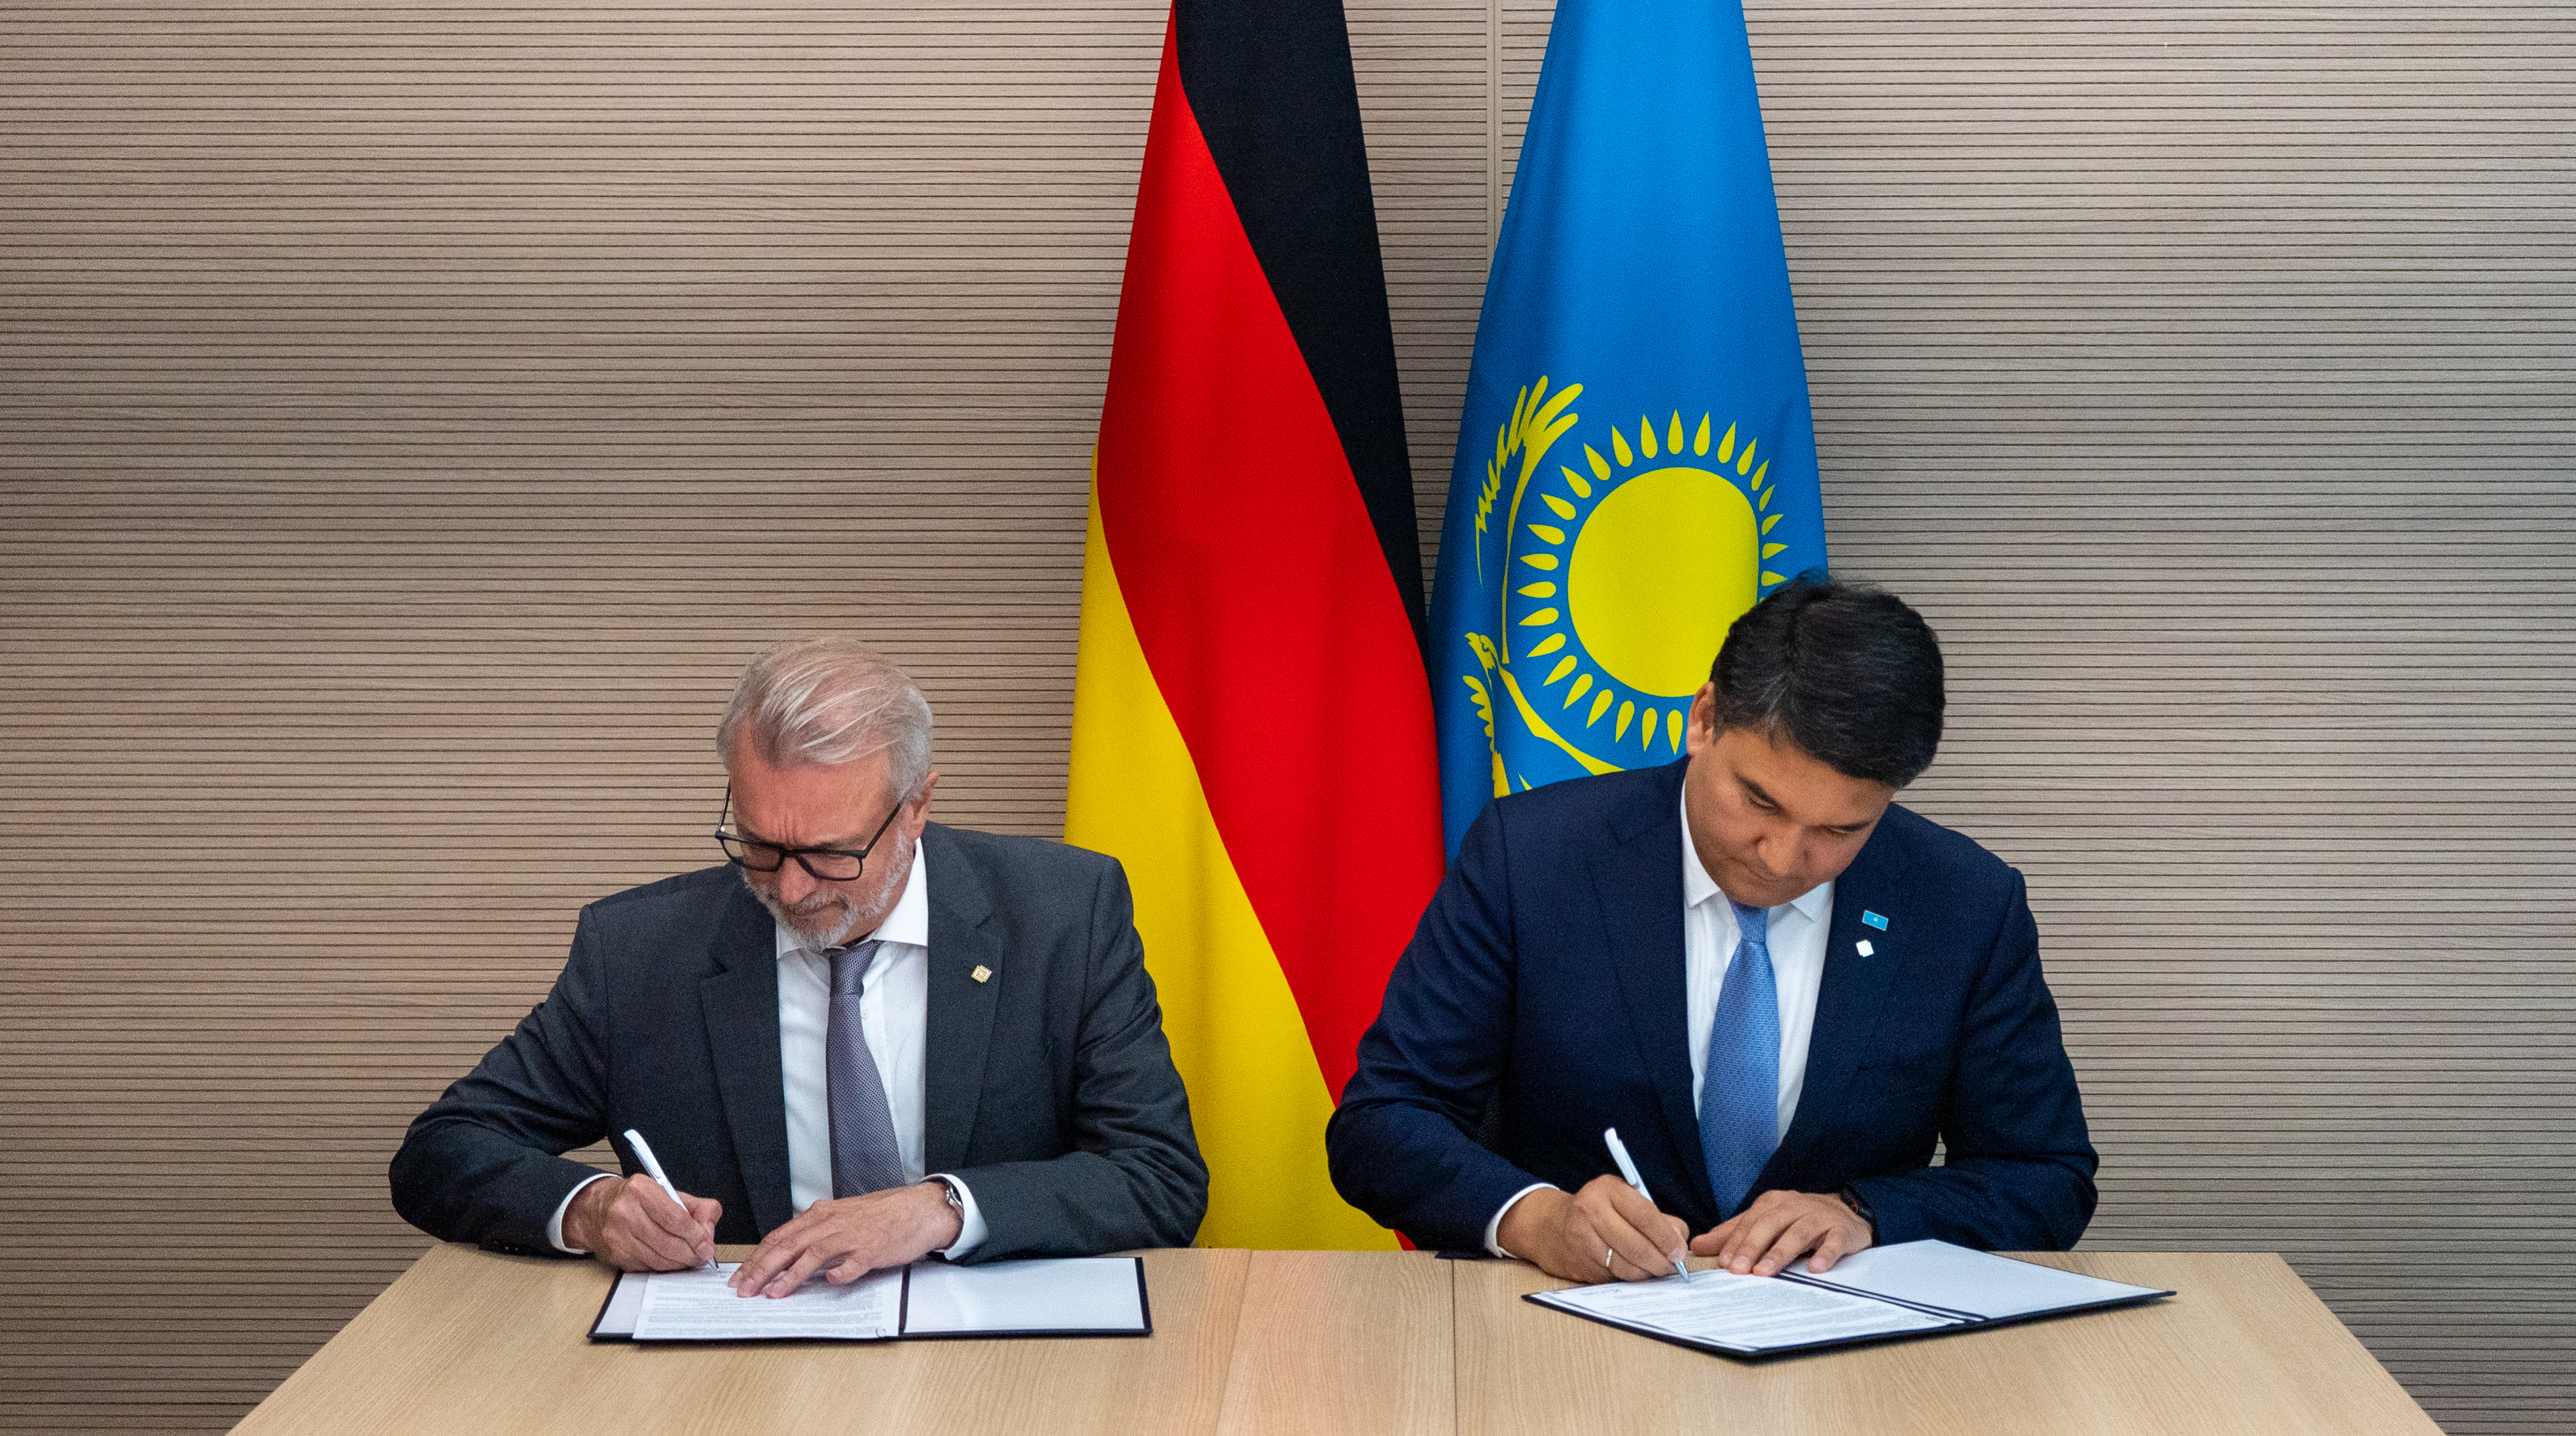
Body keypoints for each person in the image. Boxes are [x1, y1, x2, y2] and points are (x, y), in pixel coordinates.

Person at [1327, 579, 2096, 1285]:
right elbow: (1381, 1121)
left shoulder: (1963, 902)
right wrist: (1536, 1219)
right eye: (1760, 801)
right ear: (1703, 718)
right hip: (1572, 1336)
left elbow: (2046, 1174)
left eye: (1840, 829)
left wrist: (1868, 1213)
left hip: (1842, 1349)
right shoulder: (1532, 856)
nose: (1783, 857)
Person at [391, 637, 1207, 1297]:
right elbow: (442, 1149)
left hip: (1000, 1363)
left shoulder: (1063, 915)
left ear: (917, 806)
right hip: (742, 1362)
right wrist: (592, 1209)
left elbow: (1160, 1176)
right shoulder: (640, 951)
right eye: (758, 844)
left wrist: (942, 1208)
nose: (788, 889)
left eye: (829, 852)